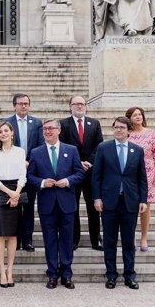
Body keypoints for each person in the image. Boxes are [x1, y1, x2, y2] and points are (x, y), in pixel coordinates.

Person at [27, 119, 85, 290]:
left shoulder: (71, 150)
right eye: (45, 129)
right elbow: (31, 177)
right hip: (47, 204)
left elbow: (80, 173)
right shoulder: (36, 152)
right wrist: (43, 182)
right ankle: (52, 274)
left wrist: (67, 181)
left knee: (67, 240)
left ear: (59, 130)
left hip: (67, 203)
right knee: (50, 240)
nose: (47, 131)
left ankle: (66, 275)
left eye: (51, 128)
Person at [92, 116, 148, 290]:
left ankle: (129, 276)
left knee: (128, 241)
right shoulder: (103, 148)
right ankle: (111, 275)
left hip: (130, 202)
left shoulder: (137, 150)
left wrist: (143, 200)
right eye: (116, 127)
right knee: (109, 241)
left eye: (122, 128)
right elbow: (97, 176)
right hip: (109, 201)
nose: (118, 130)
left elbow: (142, 178)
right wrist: (97, 197)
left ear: (129, 131)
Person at [59, 96, 103, 251]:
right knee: (73, 207)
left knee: (93, 207)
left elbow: (99, 145)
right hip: (72, 172)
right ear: (70, 106)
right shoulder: (63, 124)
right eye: (75, 104)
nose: (79, 106)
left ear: (86, 106)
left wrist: (89, 162)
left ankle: (96, 239)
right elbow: (63, 146)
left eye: (82, 104)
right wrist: (78, 163)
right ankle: (73, 239)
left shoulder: (95, 123)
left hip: (91, 172)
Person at [3, 93, 43, 252]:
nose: (24, 106)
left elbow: (40, 146)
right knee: (13, 207)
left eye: (26, 103)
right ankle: (14, 240)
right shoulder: (7, 123)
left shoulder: (37, 123)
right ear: (14, 105)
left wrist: (30, 162)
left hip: (31, 172)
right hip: (12, 173)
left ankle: (27, 239)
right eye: (20, 103)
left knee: (28, 206)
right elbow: (4, 145)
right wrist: (19, 161)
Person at [0, 121, 26, 288]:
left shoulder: (20, 151)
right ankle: (2, 271)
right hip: (1, 192)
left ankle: (10, 271)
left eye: (6, 131)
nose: (3, 133)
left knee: (13, 234)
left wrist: (16, 193)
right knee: (0, 234)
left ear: (12, 133)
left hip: (16, 191)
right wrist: (10, 193)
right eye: (0, 131)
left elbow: (22, 174)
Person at [126, 107, 155, 252]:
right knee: (132, 205)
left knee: (146, 206)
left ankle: (144, 237)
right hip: (131, 172)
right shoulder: (127, 134)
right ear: (129, 118)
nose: (138, 117)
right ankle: (131, 237)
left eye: (140, 114)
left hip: (148, 171)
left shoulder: (151, 133)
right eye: (135, 115)